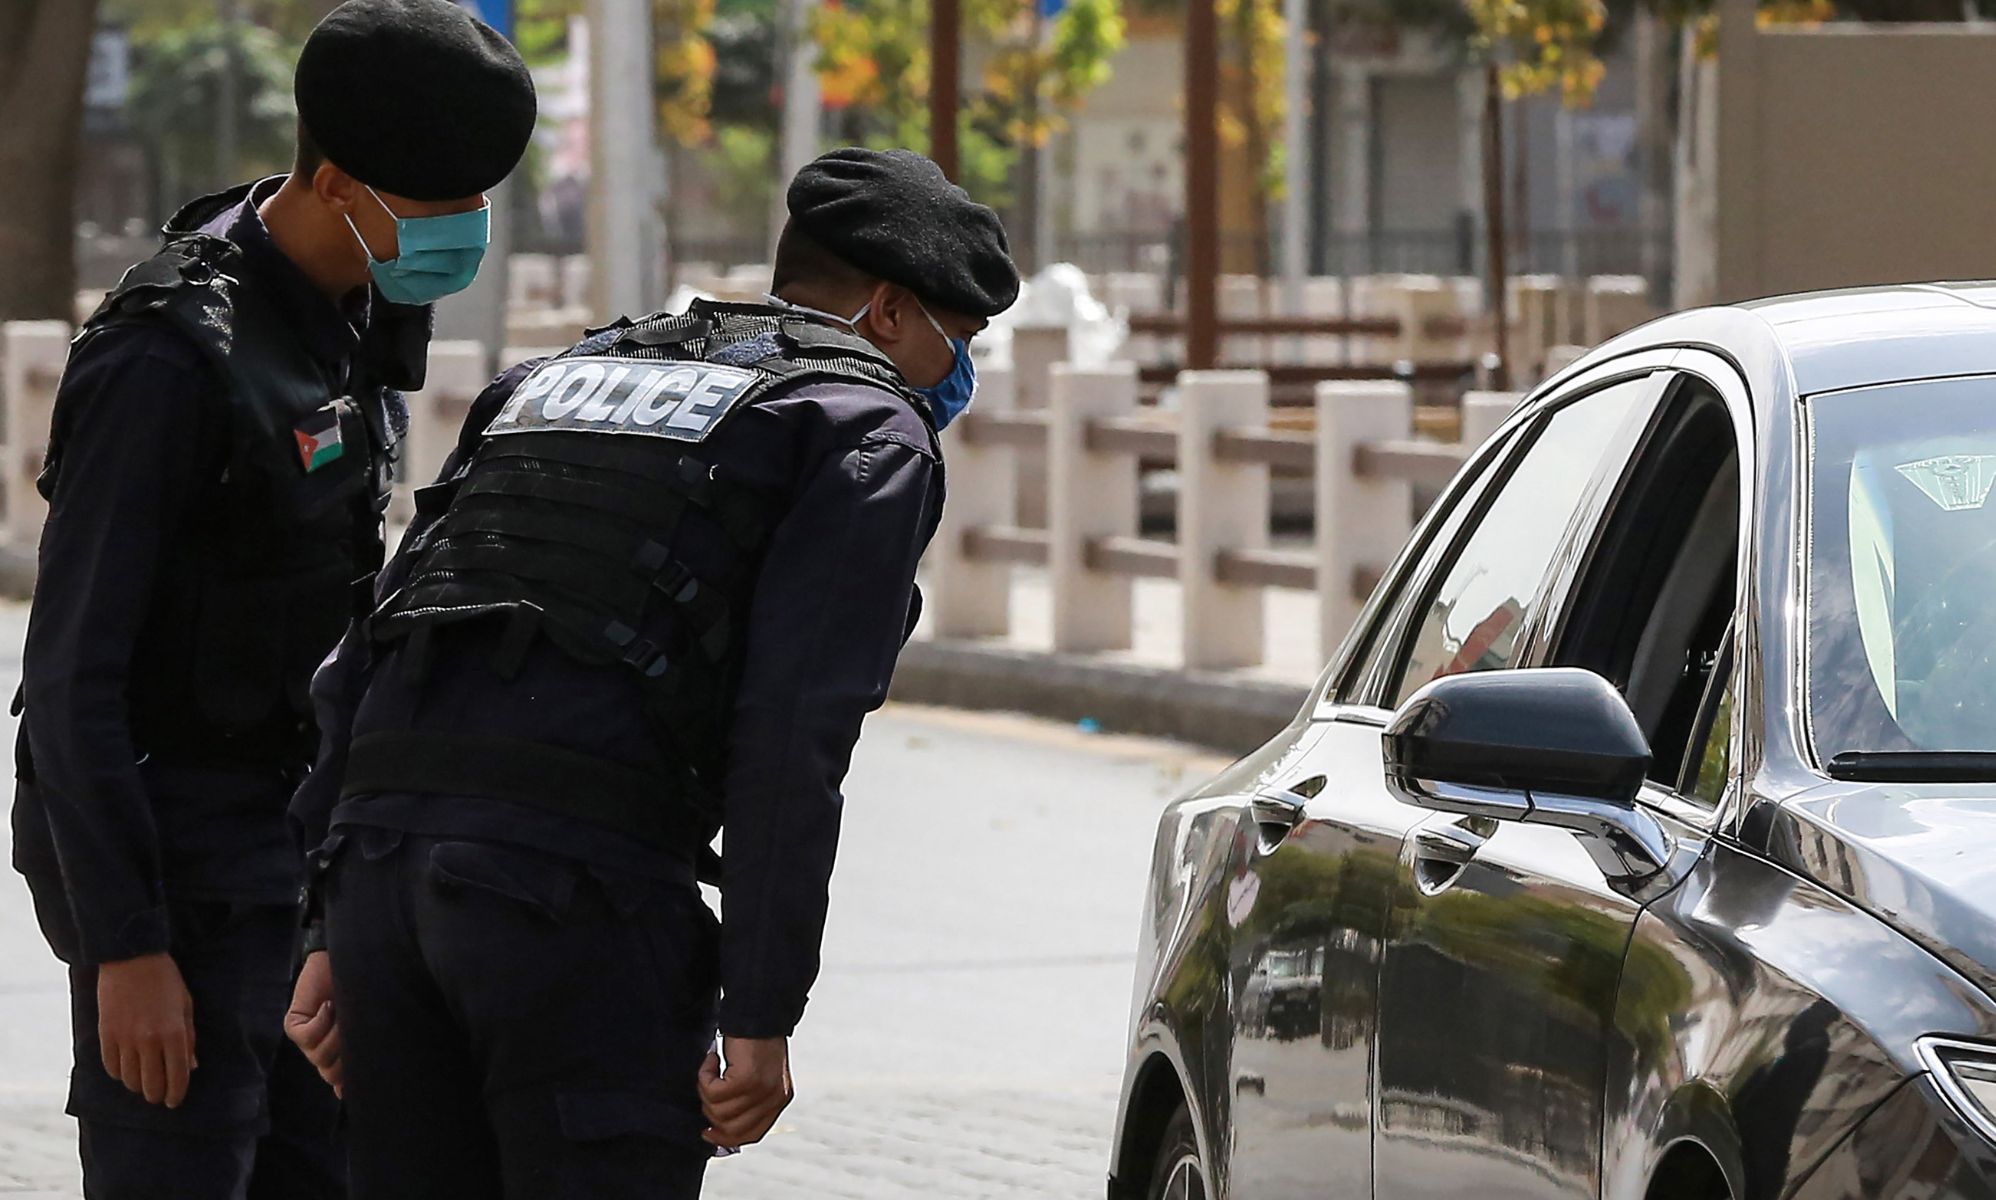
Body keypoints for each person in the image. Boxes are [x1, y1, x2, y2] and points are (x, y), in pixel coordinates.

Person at [282, 146, 1019, 1197]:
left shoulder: (550, 380)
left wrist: (329, 918)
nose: (955, 370)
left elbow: (383, 634)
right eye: (960, 339)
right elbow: (789, 738)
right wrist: (760, 1013)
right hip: (572, 904)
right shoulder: (858, 430)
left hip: (381, 880)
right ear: (891, 311)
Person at [8, 3, 535, 1196]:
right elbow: (71, 678)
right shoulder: (169, 358)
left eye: (474, 207)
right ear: (338, 180)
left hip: (306, 873)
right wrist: (126, 951)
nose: (458, 234)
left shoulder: (364, 297)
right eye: (437, 207)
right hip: (177, 870)